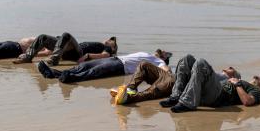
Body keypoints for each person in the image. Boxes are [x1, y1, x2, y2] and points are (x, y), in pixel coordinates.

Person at [158, 54, 260, 113]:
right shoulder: (243, 82)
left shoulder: (257, 92)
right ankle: (176, 96)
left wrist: (237, 84)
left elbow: (247, 101)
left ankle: (187, 103)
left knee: (201, 63)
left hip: (218, 96)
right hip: (208, 91)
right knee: (187, 59)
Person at [114, 56, 240, 105]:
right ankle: (130, 88)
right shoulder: (212, 73)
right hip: (171, 75)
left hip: (176, 82)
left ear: (233, 76)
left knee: (156, 89)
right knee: (144, 65)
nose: (228, 67)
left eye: (231, 68)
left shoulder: (223, 80)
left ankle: (129, 98)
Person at [37, 50, 172, 84]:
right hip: (115, 59)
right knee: (83, 66)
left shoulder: (159, 62)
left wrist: (169, 74)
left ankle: (69, 78)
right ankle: (53, 73)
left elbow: (167, 71)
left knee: (91, 73)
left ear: (164, 57)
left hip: (120, 66)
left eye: (165, 53)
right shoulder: (148, 54)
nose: (162, 51)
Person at [14, 33, 117, 65]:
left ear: (113, 48)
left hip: (78, 53)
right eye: (108, 40)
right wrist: (35, 54)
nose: (108, 40)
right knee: (43, 37)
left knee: (66, 35)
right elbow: (48, 52)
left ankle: (54, 59)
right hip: (63, 52)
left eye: (111, 41)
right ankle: (28, 57)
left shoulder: (106, 47)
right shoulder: (98, 43)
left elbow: (105, 55)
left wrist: (88, 56)